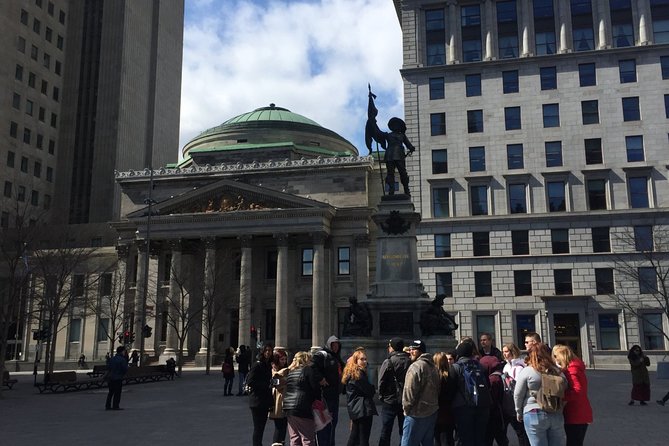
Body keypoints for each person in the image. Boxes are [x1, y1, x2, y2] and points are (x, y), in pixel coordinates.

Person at [513, 343, 567, 446]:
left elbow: (518, 394)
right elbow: (565, 386)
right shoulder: (557, 371)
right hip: (555, 412)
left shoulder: (527, 371)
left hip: (533, 411)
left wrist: (518, 411)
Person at [445, 339, 490, 446]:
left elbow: (450, 389)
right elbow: (488, 386)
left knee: (464, 438)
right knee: (479, 438)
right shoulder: (480, 366)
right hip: (482, 406)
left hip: (462, 407)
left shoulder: (455, 367)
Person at [401, 339, 440, 446]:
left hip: (416, 413)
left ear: (421, 351)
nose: (411, 351)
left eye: (414, 349)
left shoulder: (415, 366)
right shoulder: (433, 366)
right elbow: (437, 388)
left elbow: (409, 391)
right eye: (410, 349)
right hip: (431, 412)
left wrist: (406, 409)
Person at [552, 345, 593, 446]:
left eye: (555, 356)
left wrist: (561, 396)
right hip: (581, 412)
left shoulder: (572, 371)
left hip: (575, 414)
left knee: (573, 441)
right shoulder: (576, 367)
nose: (554, 359)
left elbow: (577, 391)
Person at [312, 335, 345, 446]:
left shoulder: (336, 357)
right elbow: (312, 367)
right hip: (325, 395)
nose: (335, 347)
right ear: (329, 345)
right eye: (333, 345)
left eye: (337, 345)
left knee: (333, 422)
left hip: (334, 394)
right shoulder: (322, 355)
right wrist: (321, 379)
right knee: (325, 423)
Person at [378, 337, 411, 446]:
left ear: (392, 348)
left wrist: (381, 395)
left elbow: (381, 381)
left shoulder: (388, 361)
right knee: (403, 429)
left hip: (389, 399)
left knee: (386, 429)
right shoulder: (409, 361)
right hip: (405, 399)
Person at [283, 351, 321, 445]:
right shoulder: (307, 370)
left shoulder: (291, 372)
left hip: (289, 407)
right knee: (307, 438)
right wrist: (317, 399)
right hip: (303, 408)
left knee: (294, 438)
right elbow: (315, 388)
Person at [343, 348, 377, 446]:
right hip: (363, 409)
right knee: (363, 438)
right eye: (362, 359)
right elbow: (370, 391)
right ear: (355, 361)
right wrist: (372, 388)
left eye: (365, 359)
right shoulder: (358, 375)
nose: (365, 361)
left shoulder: (353, 373)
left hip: (357, 408)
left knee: (355, 436)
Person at [501, 343, 529, 446]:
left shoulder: (519, 367)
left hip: (516, 404)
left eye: (507, 351)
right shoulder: (506, 366)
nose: (504, 354)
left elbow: (520, 388)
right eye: (503, 352)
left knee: (521, 432)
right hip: (507, 402)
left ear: (513, 352)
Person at [247, 344, 274, 446]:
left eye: (270, 350)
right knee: (258, 428)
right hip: (257, 401)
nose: (268, 352)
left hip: (264, 401)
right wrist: (266, 384)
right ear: (262, 352)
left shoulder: (267, 365)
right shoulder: (257, 364)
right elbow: (250, 381)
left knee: (261, 427)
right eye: (266, 350)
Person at [480, 356, 509, 446]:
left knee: (489, 439)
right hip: (501, 413)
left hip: (494, 414)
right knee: (502, 438)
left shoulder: (493, 379)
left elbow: (492, 398)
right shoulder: (501, 374)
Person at [433, 351, 455, 446]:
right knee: (448, 437)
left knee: (438, 438)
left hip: (437, 411)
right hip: (450, 410)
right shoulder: (452, 374)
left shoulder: (435, 376)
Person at [270, 349, 290, 446]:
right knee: (279, 426)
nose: (284, 361)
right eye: (282, 359)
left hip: (285, 400)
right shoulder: (273, 370)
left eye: (285, 359)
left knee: (283, 427)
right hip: (277, 401)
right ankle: (276, 443)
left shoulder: (286, 370)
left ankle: (281, 443)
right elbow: (275, 384)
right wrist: (285, 380)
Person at [105, 346, 129, 410]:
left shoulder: (112, 359)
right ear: (122, 351)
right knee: (117, 393)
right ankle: (115, 405)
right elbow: (125, 369)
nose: (125, 352)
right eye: (124, 351)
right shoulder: (122, 359)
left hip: (111, 378)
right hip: (118, 378)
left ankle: (108, 405)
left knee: (110, 392)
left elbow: (108, 367)